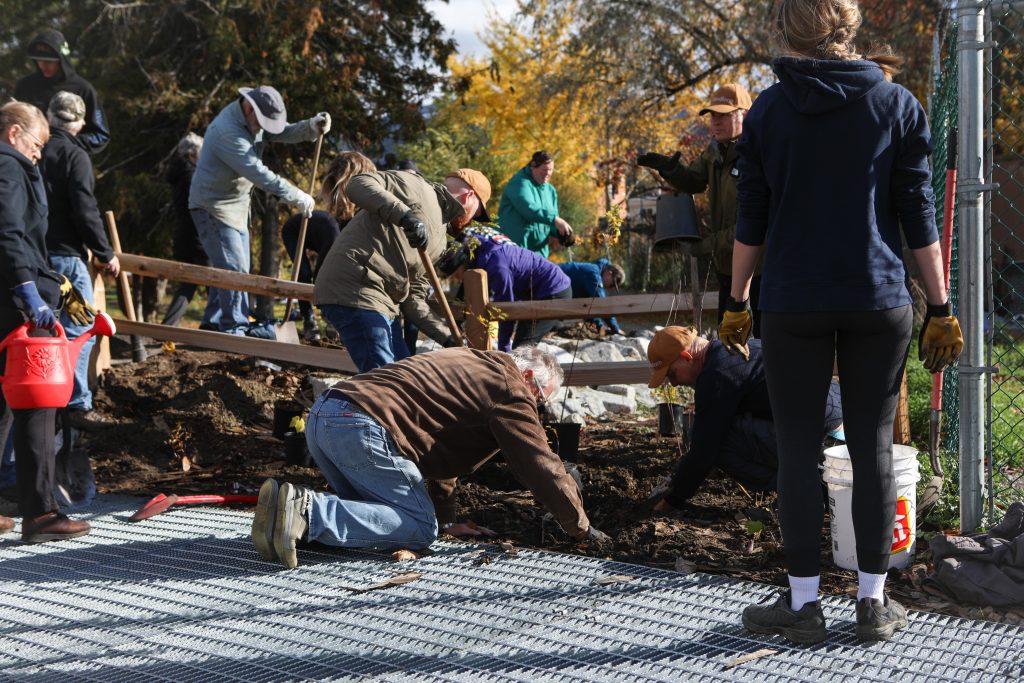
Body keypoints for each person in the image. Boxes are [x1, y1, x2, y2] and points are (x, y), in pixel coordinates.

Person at [720, 0, 964, 644]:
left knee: (799, 448)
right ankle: (873, 604)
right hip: (877, 299)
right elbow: (917, 213)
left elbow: (753, 213)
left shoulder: (769, 110)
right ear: (852, 28)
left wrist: (737, 298)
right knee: (871, 446)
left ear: (788, 33)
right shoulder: (896, 105)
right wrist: (940, 307)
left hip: (793, 302)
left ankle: (802, 606)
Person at [251, 345, 610, 569]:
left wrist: (447, 517)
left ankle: (281, 524)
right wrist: (579, 526)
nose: (537, 410)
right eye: (540, 400)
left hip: (325, 415)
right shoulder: (511, 389)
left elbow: (442, 449)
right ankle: (307, 510)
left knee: (376, 518)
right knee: (420, 529)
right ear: (529, 376)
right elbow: (539, 464)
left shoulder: (471, 359)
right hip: (362, 426)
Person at [0, 101, 91, 543]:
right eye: (36, 145)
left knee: (0, 404)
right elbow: (8, 232)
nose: (38, 154)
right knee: (37, 404)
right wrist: (28, 287)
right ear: (14, 133)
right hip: (16, 303)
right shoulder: (9, 165)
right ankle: (41, 514)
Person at [646, 326, 842, 511]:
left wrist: (673, 499)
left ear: (687, 357)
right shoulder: (741, 347)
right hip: (843, 431)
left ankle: (807, 488)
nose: (674, 383)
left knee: (716, 440)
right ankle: (815, 481)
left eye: (672, 374)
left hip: (823, 441)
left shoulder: (716, 374)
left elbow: (703, 451)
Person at [314, 167, 491, 372]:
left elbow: (413, 300)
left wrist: (449, 338)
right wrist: (405, 216)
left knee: (405, 374)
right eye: (476, 215)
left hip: (383, 303)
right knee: (389, 381)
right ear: (470, 197)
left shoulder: (439, 240)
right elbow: (358, 184)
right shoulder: (416, 186)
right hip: (355, 287)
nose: (471, 222)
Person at [188, 85, 329, 337]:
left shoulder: (251, 119)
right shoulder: (227, 133)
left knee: (234, 267)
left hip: (236, 206)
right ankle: (234, 329)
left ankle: (213, 323)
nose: (265, 129)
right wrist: (296, 195)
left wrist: (310, 127)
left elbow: (282, 132)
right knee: (234, 269)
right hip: (213, 207)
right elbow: (260, 174)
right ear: (250, 108)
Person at [637, 83, 762, 335]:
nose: (716, 122)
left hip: (757, 273)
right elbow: (693, 181)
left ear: (745, 114)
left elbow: (752, 227)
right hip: (726, 267)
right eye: (712, 115)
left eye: (724, 115)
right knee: (731, 346)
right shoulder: (715, 152)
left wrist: (704, 246)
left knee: (757, 346)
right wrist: (670, 169)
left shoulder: (758, 155)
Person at [40, 92, 120, 430]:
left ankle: (45, 400)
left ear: (49, 115)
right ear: (81, 123)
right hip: (67, 261)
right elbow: (85, 210)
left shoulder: (33, 150)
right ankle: (76, 404)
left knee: (42, 332)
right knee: (80, 327)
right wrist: (104, 253)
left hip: (35, 255)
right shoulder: (76, 155)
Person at [281, 152, 375, 343]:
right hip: (296, 232)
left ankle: (331, 315)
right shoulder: (332, 223)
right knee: (305, 274)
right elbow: (323, 274)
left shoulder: (354, 218)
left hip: (325, 234)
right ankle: (310, 320)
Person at [439, 231, 572, 352]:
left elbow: (506, 310)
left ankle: (522, 376)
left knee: (521, 348)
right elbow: (465, 295)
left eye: (455, 273)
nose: (456, 278)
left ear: (463, 262)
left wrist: (504, 350)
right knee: (520, 347)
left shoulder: (496, 268)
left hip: (554, 292)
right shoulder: (480, 257)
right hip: (538, 292)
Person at [14, 30, 110, 154]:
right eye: (38, 59)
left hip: (68, 162)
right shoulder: (25, 86)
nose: (43, 65)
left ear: (61, 59)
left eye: (49, 61)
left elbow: (100, 135)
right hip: (30, 161)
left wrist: (66, 142)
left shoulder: (84, 89)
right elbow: (12, 124)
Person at [161, 133, 211, 328]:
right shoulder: (192, 177)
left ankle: (169, 326)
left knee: (188, 284)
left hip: (183, 236)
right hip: (197, 236)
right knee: (214, 280)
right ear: (193, 155)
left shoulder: (180, 175)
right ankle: (213, 325)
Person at [498, 150, 574, 258]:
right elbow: (529, 210)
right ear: (533, 166)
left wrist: (560, 233)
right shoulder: (519, 183)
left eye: (551, 170)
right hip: (515, 251)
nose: (548, 173)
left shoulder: (550, 191)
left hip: (539, 254)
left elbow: (551, 222)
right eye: (544, 169)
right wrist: (555, 220)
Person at [558, 258, 626, 335]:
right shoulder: (593, 274)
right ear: (609, 274)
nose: (610, 287)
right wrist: (615, 328)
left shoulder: (593, 273)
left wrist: (599, 327)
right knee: (554, 325)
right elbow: (602, 304)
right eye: (612, 284)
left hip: (555, 289)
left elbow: (587, 306)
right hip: (549, 286)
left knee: (556, 325)